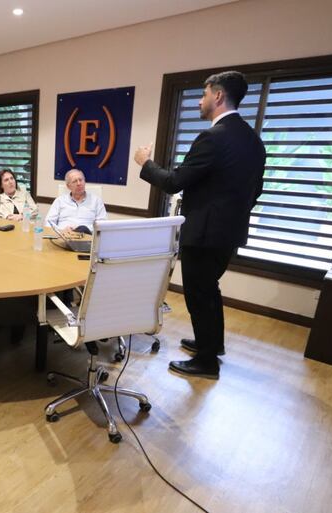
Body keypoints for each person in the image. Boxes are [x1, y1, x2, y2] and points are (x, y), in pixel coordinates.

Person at [133, 70, 265, 380]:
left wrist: (145, 163)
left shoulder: (213, 137)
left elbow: (174, 181)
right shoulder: (253, 140)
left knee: (198, 295)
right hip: (229, 233)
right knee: (210, 290)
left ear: (218, 96)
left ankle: (206, 362)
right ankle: (211, 345)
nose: (199, 101)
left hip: (204, 234)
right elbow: (255, 190)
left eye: (204, 94)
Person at [44, 169, 106, 235]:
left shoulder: (96, 201)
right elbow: (48, 222)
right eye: (74, 181)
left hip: (87, 237)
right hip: (64, 236)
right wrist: (61, 231)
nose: (79, 183)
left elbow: (102, 224)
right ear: (68, 186)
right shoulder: (60, 201)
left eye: (81, 180)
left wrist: (89, 231)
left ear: (84, 182)